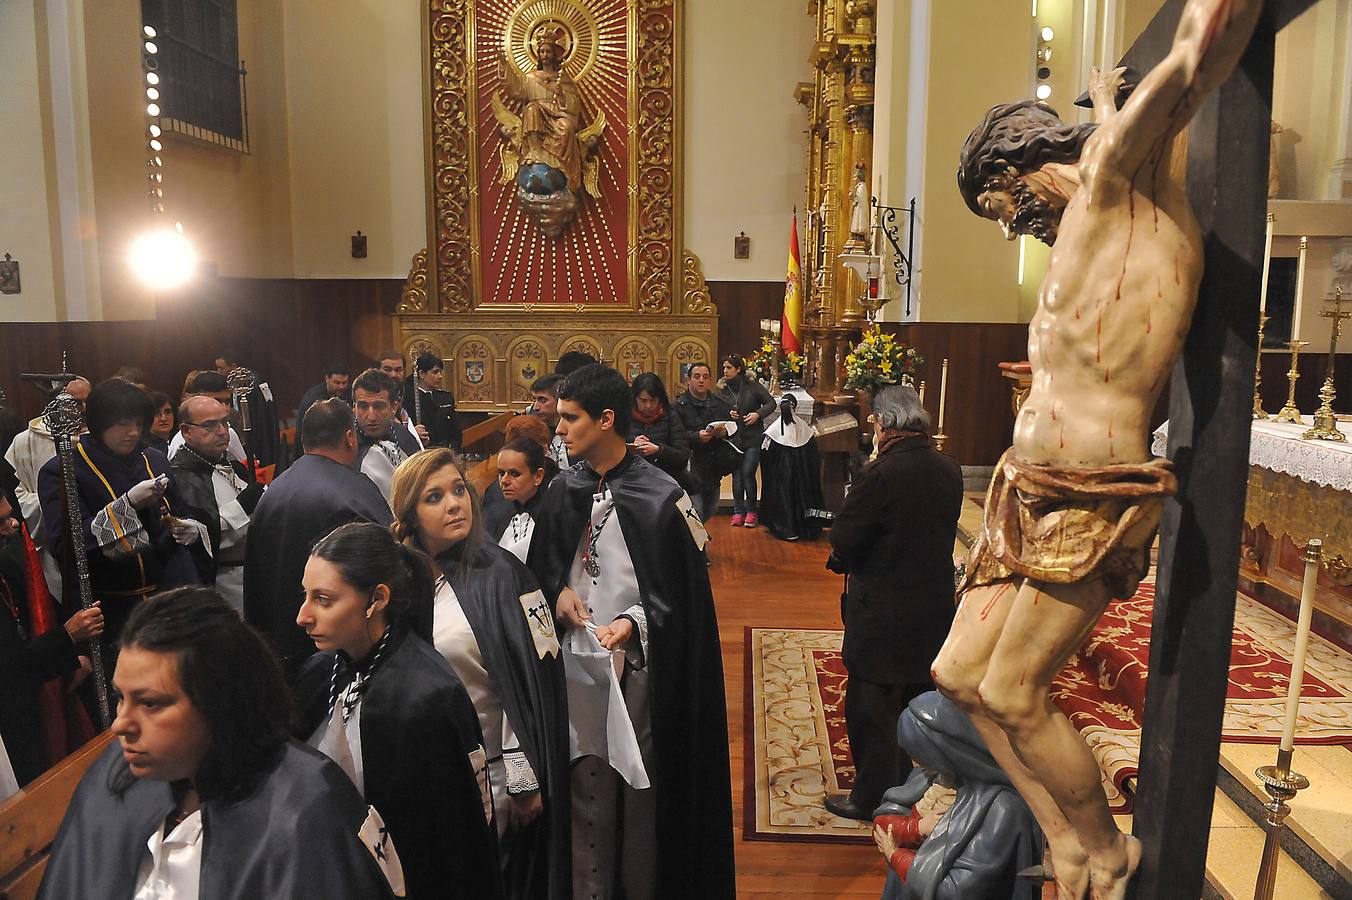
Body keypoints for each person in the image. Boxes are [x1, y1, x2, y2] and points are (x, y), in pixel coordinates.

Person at [934, 3, 1262, 896]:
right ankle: (1066, 839)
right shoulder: (1095, 204)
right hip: (1024, 481)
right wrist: (1111, 97)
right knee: (957, 673)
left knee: (1011, 691)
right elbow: (1130, 112)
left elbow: (1199, 56)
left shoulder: (1121, 179)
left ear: (1023, 160)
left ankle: (1104, 846)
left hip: (1094, 482)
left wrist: (1156, 76)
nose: (1009, 226)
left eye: (1001, 203)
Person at [38, 587, 402, 898]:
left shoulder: (307, 809)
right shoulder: (114, 777)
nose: (121, 724)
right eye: (121, 697)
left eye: (151, 703)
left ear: (219, 703)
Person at [527, 363, 735, 900]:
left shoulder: (663, 497)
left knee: (636, 788)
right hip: (572, 666)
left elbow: (686, 604)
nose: (559, 428)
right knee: (580, 781)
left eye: (570, 419)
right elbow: (539, 574)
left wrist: (634, 622)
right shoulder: (561, 489)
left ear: (606, 420)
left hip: (639, 669)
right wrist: (556, 593)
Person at [393, 450, 571, 900]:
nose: (455, 504)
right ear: (410, 513)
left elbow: (530, 681)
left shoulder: (505, 575)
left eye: (459, 490)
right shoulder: (395, 582)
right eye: (435, 497)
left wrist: (522, 776)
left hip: (489, 775)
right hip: (421, 774)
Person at [294, 523, 502, 900]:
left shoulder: (430, 698)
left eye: (323, 599)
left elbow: (461, 841)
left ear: (376, 599)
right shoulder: (320, 672)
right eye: (305, 596)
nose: (303, 616)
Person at [824, 385, 962, 822]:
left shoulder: (878, 474)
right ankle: (906, 787)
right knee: (915, 702)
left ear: (885, 423)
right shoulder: (949, 468)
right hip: (933, 604)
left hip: (883, 609)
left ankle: (871, 798)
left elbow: (847, 537)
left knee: (872, 708)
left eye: (875, 422)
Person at [37, 378, 199, 666]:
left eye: (139, 423)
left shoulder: (155, 460)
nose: (134, 432)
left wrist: (188, 527)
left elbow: (179, 511)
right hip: (110, 607)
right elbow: (68, 545)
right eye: (123, 424)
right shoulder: (63, 471)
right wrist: (128, 506)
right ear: (99, 423)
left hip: (166, 599)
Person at [244, 399, 392, 678]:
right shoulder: (355, 491)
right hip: (340, 657)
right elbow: (388, 566)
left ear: (304, 441)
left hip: (277, 651)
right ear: (350, 438)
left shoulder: (274, 490)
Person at [0, 494, 101, 788]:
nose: (13, 525)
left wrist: (77, 654)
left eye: (9, 516)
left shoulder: (7, 562)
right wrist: (68, 638)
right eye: (1, 521)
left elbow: (47, 614)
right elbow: (9, 668)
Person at [169, 395, 263, 612]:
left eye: (225, 422)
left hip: (251, 574)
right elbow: (194, 536)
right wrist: (241, 507)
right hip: (223, 585)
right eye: (210, 425)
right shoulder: (182, 476)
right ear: (186, 431)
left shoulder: (224, 461)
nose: (223, 431)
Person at [5, 376, 90, 602]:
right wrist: (54, 508)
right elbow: (16, 495)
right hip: (48, 548)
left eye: (87, 401)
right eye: (76, 402)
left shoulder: (99, 438)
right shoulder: (26, 441)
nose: (83, 409)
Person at [483, 417, 559, 563]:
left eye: (514, 474)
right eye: (501, 473)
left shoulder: (555, 499)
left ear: (538, 476)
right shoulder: (493, 495)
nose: (504, 481)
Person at [759, 389, 826, 542]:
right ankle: (805, 528)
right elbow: (813, 457)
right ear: (794, 407)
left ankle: (786, 528)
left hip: (781, 477)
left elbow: (765, 455)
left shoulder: (773, 431)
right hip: (803, 477)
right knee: (802, 497)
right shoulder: (805, 429)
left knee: (784, 497)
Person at [671, 362, 733, 523]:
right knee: (695, 512)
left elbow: (734, 429)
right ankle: (696, 547)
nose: (701, 381)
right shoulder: (678, 406)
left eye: (705, 377)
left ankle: (698, 543)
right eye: (697, 377)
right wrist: (696, 437)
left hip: (713, 467)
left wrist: (725, 432)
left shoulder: (719, 404)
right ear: (688, 380)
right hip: (691, 467)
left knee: (710, 508)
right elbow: (673, 434)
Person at [717, 355, 775, 528]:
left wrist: (758, 414)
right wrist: (728, 414)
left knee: (748, 473)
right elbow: (717, 409)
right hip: (734, 439)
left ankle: (751, 511)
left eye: (729, 367)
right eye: (724, 368)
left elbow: (771, 403)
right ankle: (738, 511)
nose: (725, 371)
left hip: (752, 437)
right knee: (737, 476)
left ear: (738, 369)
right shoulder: (722, 390)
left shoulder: (752, 386)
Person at [351, 368, 423, 507]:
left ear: (394, 407)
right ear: (354, 408)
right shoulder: (345, 448)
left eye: (379, 406)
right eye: (363, 406)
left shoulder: (404, 436)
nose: (371, 416)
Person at [213, 349, 282, 468]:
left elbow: (262, 420)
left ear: (233, 366)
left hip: (256, 439)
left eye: (221, 368)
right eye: (217, 368)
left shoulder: (250, 384)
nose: (218, 372)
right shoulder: (232, 383)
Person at [625, 373, 693, 493]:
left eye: (653, 400)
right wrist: (631, 445)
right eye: (643, 400)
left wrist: (658, 450)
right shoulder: (624, 417)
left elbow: (683, 456)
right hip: (631, 484)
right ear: (635, 398)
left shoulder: (670, 416)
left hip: (666, 484)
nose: (648, 406)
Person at [166, 371, 248, 465]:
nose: (224, 408)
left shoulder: (229, 433)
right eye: (216, 401)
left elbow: (244, 466)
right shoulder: (179, 444)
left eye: (227, 402)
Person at [404, 352, 462, 451]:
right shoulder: (408, 399)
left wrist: (453, 449)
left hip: (447, 451)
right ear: (422, 374)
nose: (440, 376)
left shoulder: (445, 398)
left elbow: (456, 432)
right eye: (435, 372)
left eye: (440, 372)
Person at [377, 349, 429, 445]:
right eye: (387, 370)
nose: (393, 374)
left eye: (398, 370)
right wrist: (411, 435)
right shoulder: (370, 397)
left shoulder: (416, 395)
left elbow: (428, 432)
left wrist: (422, 438)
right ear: (377, 370)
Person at [296, 364, 350, 450]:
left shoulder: (348, 392)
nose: (341, 386)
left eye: (344, 382)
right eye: (337, 382)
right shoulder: (313, 399)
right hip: (312, 445)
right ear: (327, 379)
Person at [530, 373, 570, 467]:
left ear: (560, 400)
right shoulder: (533, 431)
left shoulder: (575, 429)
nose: (536, 407)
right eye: (534, 400)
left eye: (543, 400)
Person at [144, 392, 176, 457]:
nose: (163, 418)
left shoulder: (180, 439)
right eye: (156, 413)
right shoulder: (145, 448)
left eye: (168, 412)